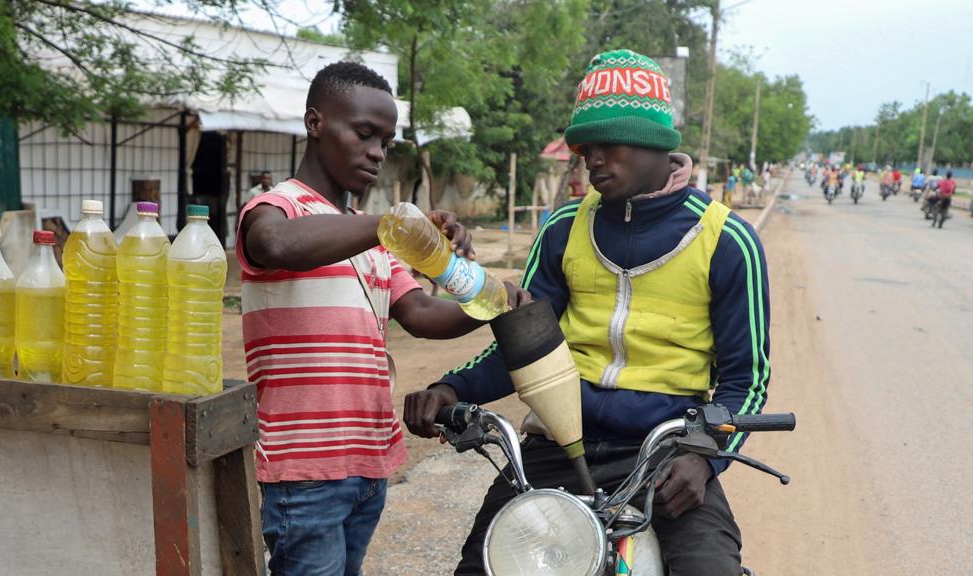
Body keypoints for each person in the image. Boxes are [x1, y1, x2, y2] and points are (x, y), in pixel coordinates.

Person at [404, 49, 771, 576]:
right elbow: (523, 345)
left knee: (709, 567)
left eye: (607, 144)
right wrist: (452, 391)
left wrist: (705, 457)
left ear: (655, 142)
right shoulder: (562, 229)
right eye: (584, 148)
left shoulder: (727, 240)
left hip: (664, 456)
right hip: (555, 443)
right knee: (479, 566)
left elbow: (747, 380)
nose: (592, 159)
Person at [236, 61, 526, 576]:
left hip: (368, 464)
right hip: (303, 470)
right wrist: (394, 224)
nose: (376, 151)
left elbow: (419, 313)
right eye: (364, 133)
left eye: (386, 142)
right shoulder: (276, 207)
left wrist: (491, 298)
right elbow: (274, 243)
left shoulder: (369, 237)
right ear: (315, 122)